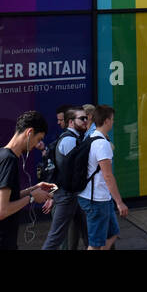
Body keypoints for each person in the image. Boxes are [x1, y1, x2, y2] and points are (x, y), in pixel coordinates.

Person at [0, 111, 56, 250]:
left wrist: (33, 189)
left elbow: (6, 198)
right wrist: (32, 197)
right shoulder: (8, 160)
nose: (37, 145)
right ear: (29, 132)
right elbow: (1, 211)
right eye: (38, 139)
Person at [79, 105, 129, 250]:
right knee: (94, 244)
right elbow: (107, 175)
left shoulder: (92, 138)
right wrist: (119, 202)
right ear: (107, 121)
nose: (113, 122)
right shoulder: (101, 144)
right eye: (112, 119)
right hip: (96, 200)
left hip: (101, 198)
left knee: (113, 233)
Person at [42, 105, 86, 250]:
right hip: (67, 195)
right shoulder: (69, 140)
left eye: (86, 118)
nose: (85, 121)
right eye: (82, 118)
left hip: (72, 194)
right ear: (71, 122)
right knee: (56, 237)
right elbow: (68, 171)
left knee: (88, 233)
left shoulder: (73, 138)